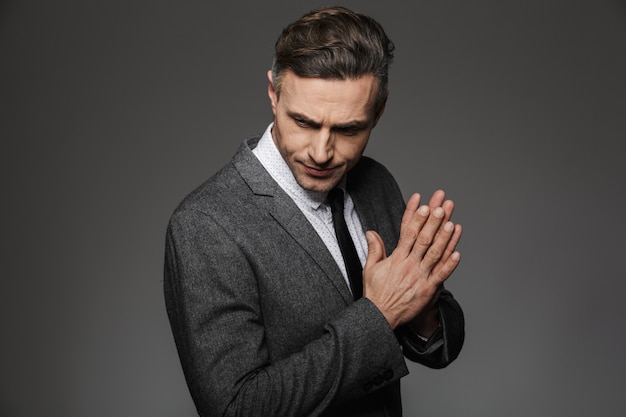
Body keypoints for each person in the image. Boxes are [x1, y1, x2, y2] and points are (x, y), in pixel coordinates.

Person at [164, 6, 465, 417]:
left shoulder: (376, 182)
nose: (321, 153)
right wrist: (381, 314)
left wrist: (423, 306)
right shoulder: (206, 225)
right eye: (304, 122)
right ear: (273, 94)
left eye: (348, 129)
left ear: (378, 111)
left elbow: (438, 345)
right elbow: (236, 409)